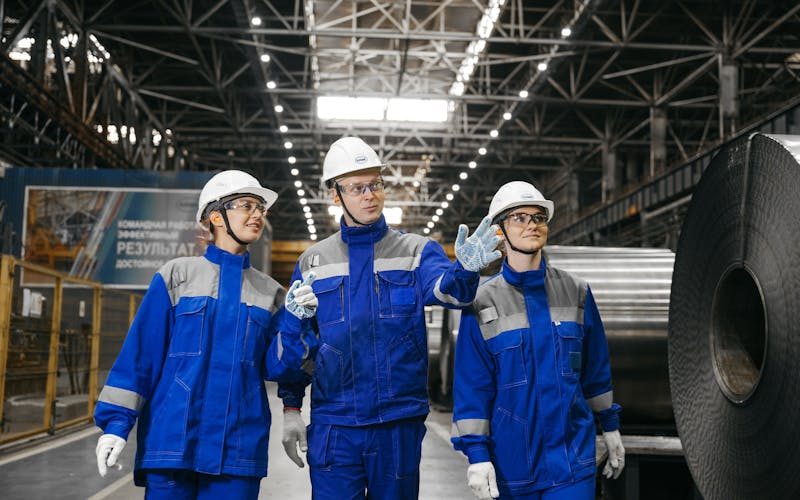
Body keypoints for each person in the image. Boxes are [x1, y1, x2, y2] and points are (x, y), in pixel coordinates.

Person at [277, 136, 502, 499]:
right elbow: (302, 344)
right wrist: (290, 408)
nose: (370, 195)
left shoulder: (416, 251)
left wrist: (466, 270)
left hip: (396, 422)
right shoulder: (314, 262)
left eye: (376, 184)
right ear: (335, 195)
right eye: (357, 188)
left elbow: (450, 293)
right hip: (335, 423)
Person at [92, 170, 318, 499]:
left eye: (260, 208)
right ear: (216, 216)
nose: (257, 215)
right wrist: (116, 425)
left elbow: (280, 368)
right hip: (173, 442)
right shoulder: (176, 277)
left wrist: (296, 321)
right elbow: (140, 357)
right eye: (246, 205)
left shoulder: (270, 293)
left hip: (238, 447)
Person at [450, 181, 625, 500]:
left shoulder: (577, 291)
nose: (531, 224)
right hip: (512, 463)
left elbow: (596, 370)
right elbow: (472, 388)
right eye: (519, 217)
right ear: (499, 231)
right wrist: (477, 456)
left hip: (573, 461)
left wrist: (610, 427)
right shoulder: (482, 303)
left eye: (538, 217)